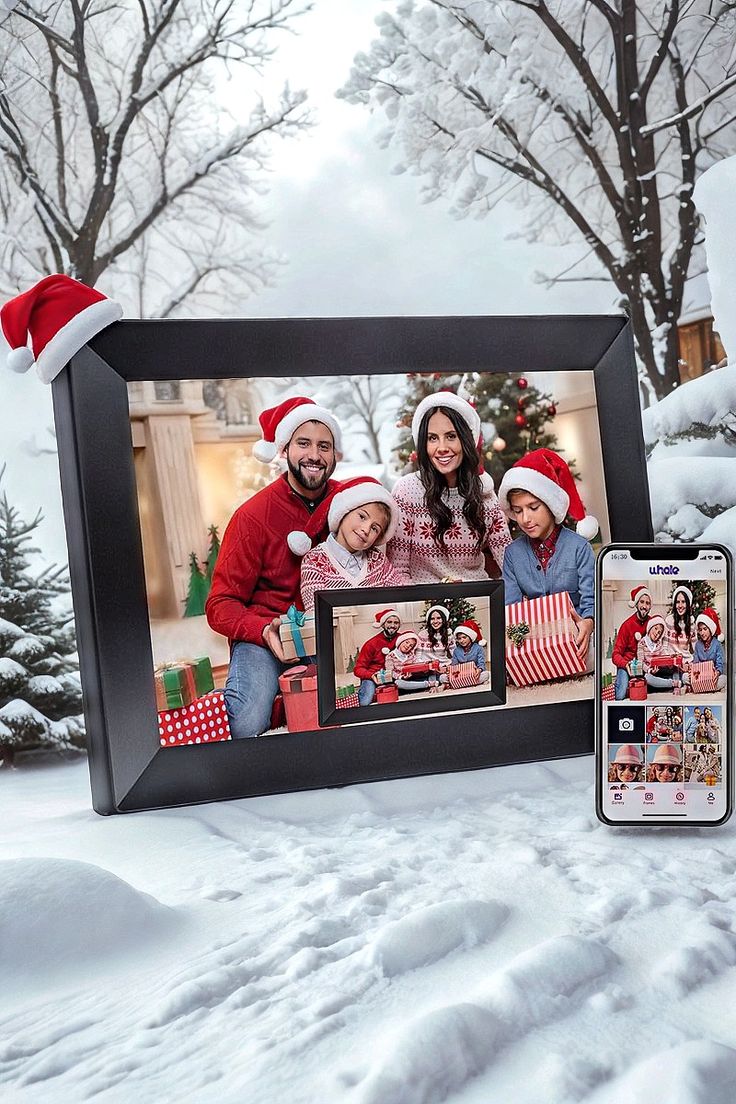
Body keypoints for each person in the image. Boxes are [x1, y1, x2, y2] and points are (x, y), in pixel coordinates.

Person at [206, 396, 342, 738]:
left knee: (350, 704)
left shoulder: (349, 504)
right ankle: (247, 697)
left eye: (324, 446)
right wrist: (263, 630)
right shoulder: (251, 517)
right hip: (266, 634)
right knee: (246, 721)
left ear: (335, 454)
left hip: (329, 632)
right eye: (304, 444)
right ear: (284, 449)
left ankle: (283, 706)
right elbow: (220, 605)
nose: (314, 455)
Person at [387, 393, 511, 582]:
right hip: (426, 607)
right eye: (432, 438)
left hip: (478, 602)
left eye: (451, 436)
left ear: (466, 440)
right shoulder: (407, 491)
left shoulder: (485, 492)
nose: (442, 447)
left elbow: (510, 565)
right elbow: (398, 571)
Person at [497, 448, 597, 662]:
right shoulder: (513, 555)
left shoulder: (579, 548)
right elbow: (511, 608)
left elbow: (591, 600)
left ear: (551, 504)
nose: (525, 519)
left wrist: (588, 622)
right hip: (533, 643)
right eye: (518, 510)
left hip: (577, 638)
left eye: (533, 507)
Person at [292, 476, 406, 612]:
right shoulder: (314, 562)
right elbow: (317, 614)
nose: (366, 529)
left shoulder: (378, 561)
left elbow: (402, 595)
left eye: (375, 528)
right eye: (362, 516)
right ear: (344, 512)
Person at [354, 609, 402, 706]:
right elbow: (358, 669)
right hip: (372, 676)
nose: (393, 625)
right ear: (383, 624)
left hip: (394, 674)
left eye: (396, 622)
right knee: (366, 701)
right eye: (389, 622)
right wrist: (371, 675)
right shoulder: (371, 644)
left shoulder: (402, 639)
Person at [611, 585, 652, 700]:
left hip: (644, 664)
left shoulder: (652, 623)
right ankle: (622, 683)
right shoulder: (626, 625)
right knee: (620, 695)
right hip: (627, 665)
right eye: (642, 602)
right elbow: (615, 655)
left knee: (651, 689)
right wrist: (625, 664)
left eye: (647, 603)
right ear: (636, 604)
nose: (644, 606)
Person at [385, 630, 444, 694]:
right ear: (401, 641)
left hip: (414, 677)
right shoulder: (390, 656)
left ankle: (434, 680)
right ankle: (428, 684)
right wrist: (400, 676)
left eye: (411, 646)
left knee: (436, 675)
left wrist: (426, 667)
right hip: (401, 679)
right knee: (398, 683)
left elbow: (417, 663)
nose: (408, 646)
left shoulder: (410, 655)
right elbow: (390, 672)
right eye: (407, 642)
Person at [637, 615, 683, 693]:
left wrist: (670, 661)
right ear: (650, 627)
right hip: (649, 671)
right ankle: (673, 683)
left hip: (660, 669)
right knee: (647, 678)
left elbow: (663, 655)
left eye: (659, 632)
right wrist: (649, 670)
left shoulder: (659, 643)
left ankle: (676, 686)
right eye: (655, 629)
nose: (656, 633)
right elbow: (640, 661)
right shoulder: (642, 643)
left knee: (675, 667)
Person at [693, 607, 727, 690]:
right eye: (700, 630)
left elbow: (720, 664)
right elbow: (696, 662)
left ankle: (700, 687)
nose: (702, 632)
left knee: (724, 679)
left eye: (705, 629)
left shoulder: (717, 644)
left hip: (712, 675)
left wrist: (717, 673)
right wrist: (693, 672)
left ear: (710, 630)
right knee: (685, 677)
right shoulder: (698, 645)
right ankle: (706, 687)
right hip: (700, 675)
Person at [448, 619, 490, 684]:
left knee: (486, 674)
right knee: (443, 678)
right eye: (459, 638)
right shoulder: (456, 651)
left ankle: (463, 682)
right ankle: (468, 682)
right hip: (461, 674)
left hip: (474, 673)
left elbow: (481, 663)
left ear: (470, 637)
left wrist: (479, 670)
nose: (461, 640)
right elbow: (454, 665)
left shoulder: (478, 648)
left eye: (464, 637)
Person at [666, 585, 696, 658]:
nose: (680, 605)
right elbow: (664, 647)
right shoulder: (669, 621)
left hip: (687, 661)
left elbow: (695, 648)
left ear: (688, 604)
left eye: (683, 602)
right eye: (677, 602)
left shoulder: (692, 624)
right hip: (671, 662)